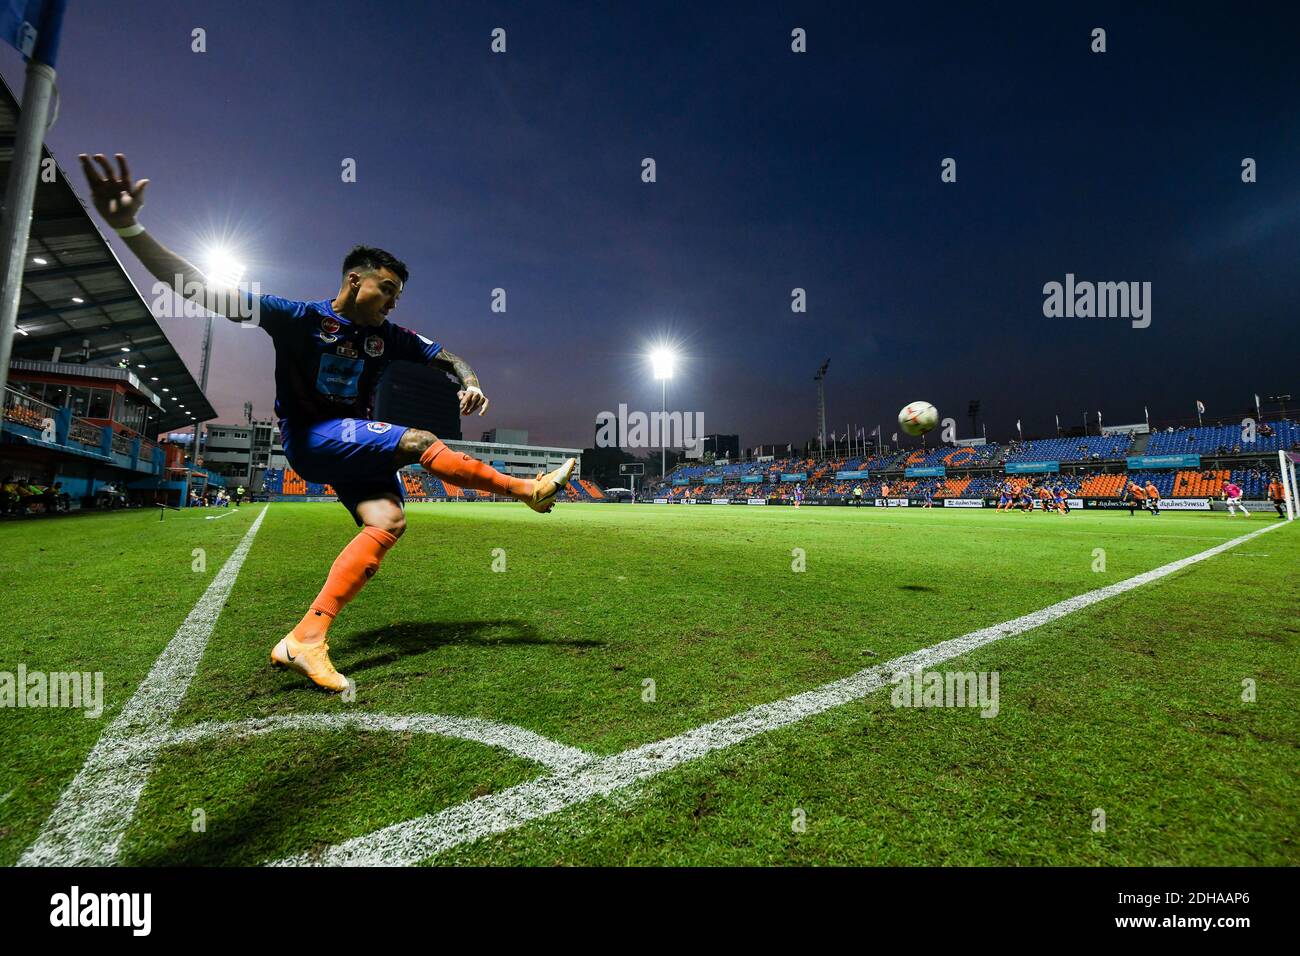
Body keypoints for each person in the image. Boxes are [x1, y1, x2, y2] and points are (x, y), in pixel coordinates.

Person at [81, 152, 574, 692]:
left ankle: (304, 640)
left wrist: (469, 380)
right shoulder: (298, 319)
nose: (391, 302)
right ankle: (526, 489)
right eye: (385, 289)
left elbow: (448, 356)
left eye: (398, 295)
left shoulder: (391, 338)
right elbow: (200, 287)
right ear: (354, 279)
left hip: (356, 445)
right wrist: (128, 226)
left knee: (386, 524)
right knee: (419, 440)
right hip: (312, 440)